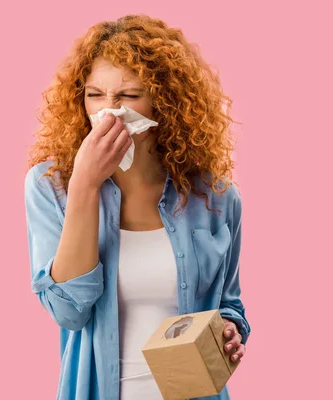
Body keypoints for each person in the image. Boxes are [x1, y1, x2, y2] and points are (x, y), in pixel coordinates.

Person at [24, 14, 251, 400]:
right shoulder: (52, 186)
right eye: (95, 95)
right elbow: (68, 312)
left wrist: (229, 332)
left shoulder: (215, 197)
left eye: (129, 97)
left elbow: (229, 306)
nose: (109, 111)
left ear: (165, 102)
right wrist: (85, 183)